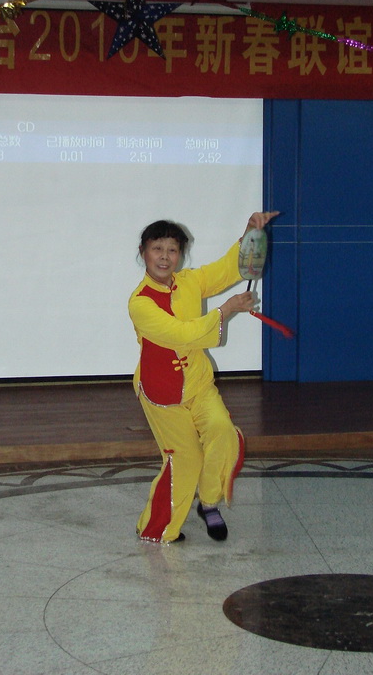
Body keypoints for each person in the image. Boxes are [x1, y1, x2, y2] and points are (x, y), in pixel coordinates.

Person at [128, 211, 279, 544]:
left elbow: (226, 270)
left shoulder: (190, 281)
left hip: (197, 382)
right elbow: (182, 334)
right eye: (157, 249)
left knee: (224, 434)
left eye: (172, 250)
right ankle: (156, 529)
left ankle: (208, 503)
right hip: (161, 393)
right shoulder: (140, 303)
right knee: (185, 459)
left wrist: (249, 235)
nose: (164, 257)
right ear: (143, 252)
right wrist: (226, 310)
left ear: (180, 255)